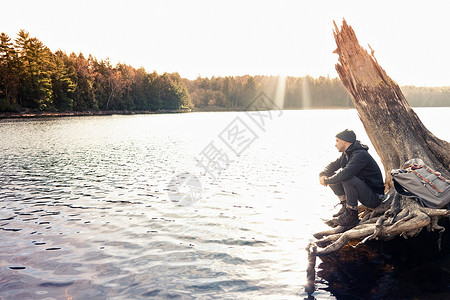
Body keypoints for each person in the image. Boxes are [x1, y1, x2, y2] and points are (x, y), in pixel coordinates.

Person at [319, 129, 385, 226]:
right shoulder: (347, 154)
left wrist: (327, 181)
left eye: (337, 141)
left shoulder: (360, 155)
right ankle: (346, 207)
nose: (335, 144)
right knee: (335, 176)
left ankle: (352, 215)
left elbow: (346, 173)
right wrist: (323, 174)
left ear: (345, 141)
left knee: (347, 178)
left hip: (374, 198)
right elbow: (332, 166)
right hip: (365, 192)